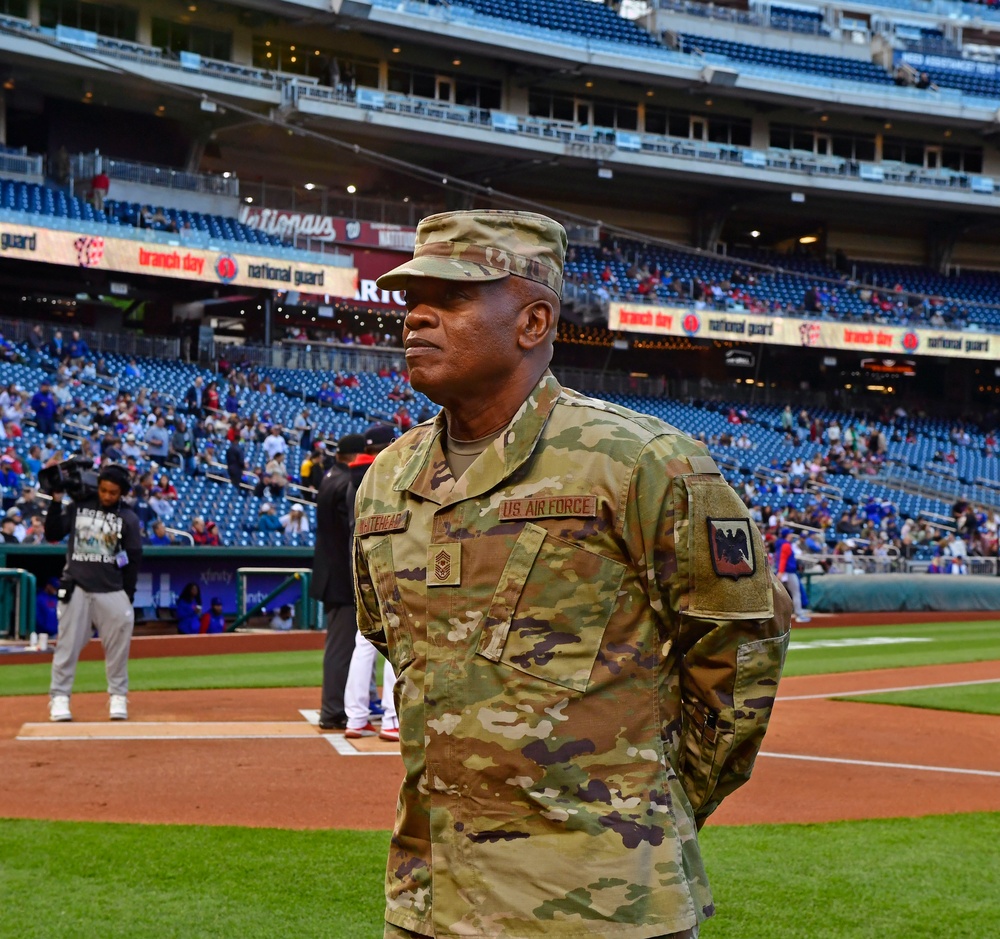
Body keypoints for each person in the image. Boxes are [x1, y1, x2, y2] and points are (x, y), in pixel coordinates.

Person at [354, 210, 791, 938]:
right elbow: (401, 652)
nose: (416, 317)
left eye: (453, 297)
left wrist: (650, 808)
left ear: (532, 321)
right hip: (428, 905)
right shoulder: (387, 482)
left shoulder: (642, 462)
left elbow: (740, 648)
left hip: (601, 906)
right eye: (409, 300)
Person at [45, 463, 143, 722]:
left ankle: (118, 696)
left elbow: (133, 559)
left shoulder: (129, 518)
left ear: (122, 492)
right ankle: (60, 697)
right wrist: (56, 499)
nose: (107, 496)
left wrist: (128, 595)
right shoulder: (79, 506)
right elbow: (53, 533)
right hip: (76, 585)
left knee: (118, 649)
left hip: (111, 588)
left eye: (113, 492)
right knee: (66, 647)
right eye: (103, 490)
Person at [312, 432, 367, 731]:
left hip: (329, 573)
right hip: (341, 578)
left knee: (344, 645)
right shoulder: (345, 481)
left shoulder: (330, 475)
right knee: (342, 648)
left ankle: (344, 704)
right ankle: (333, 710)